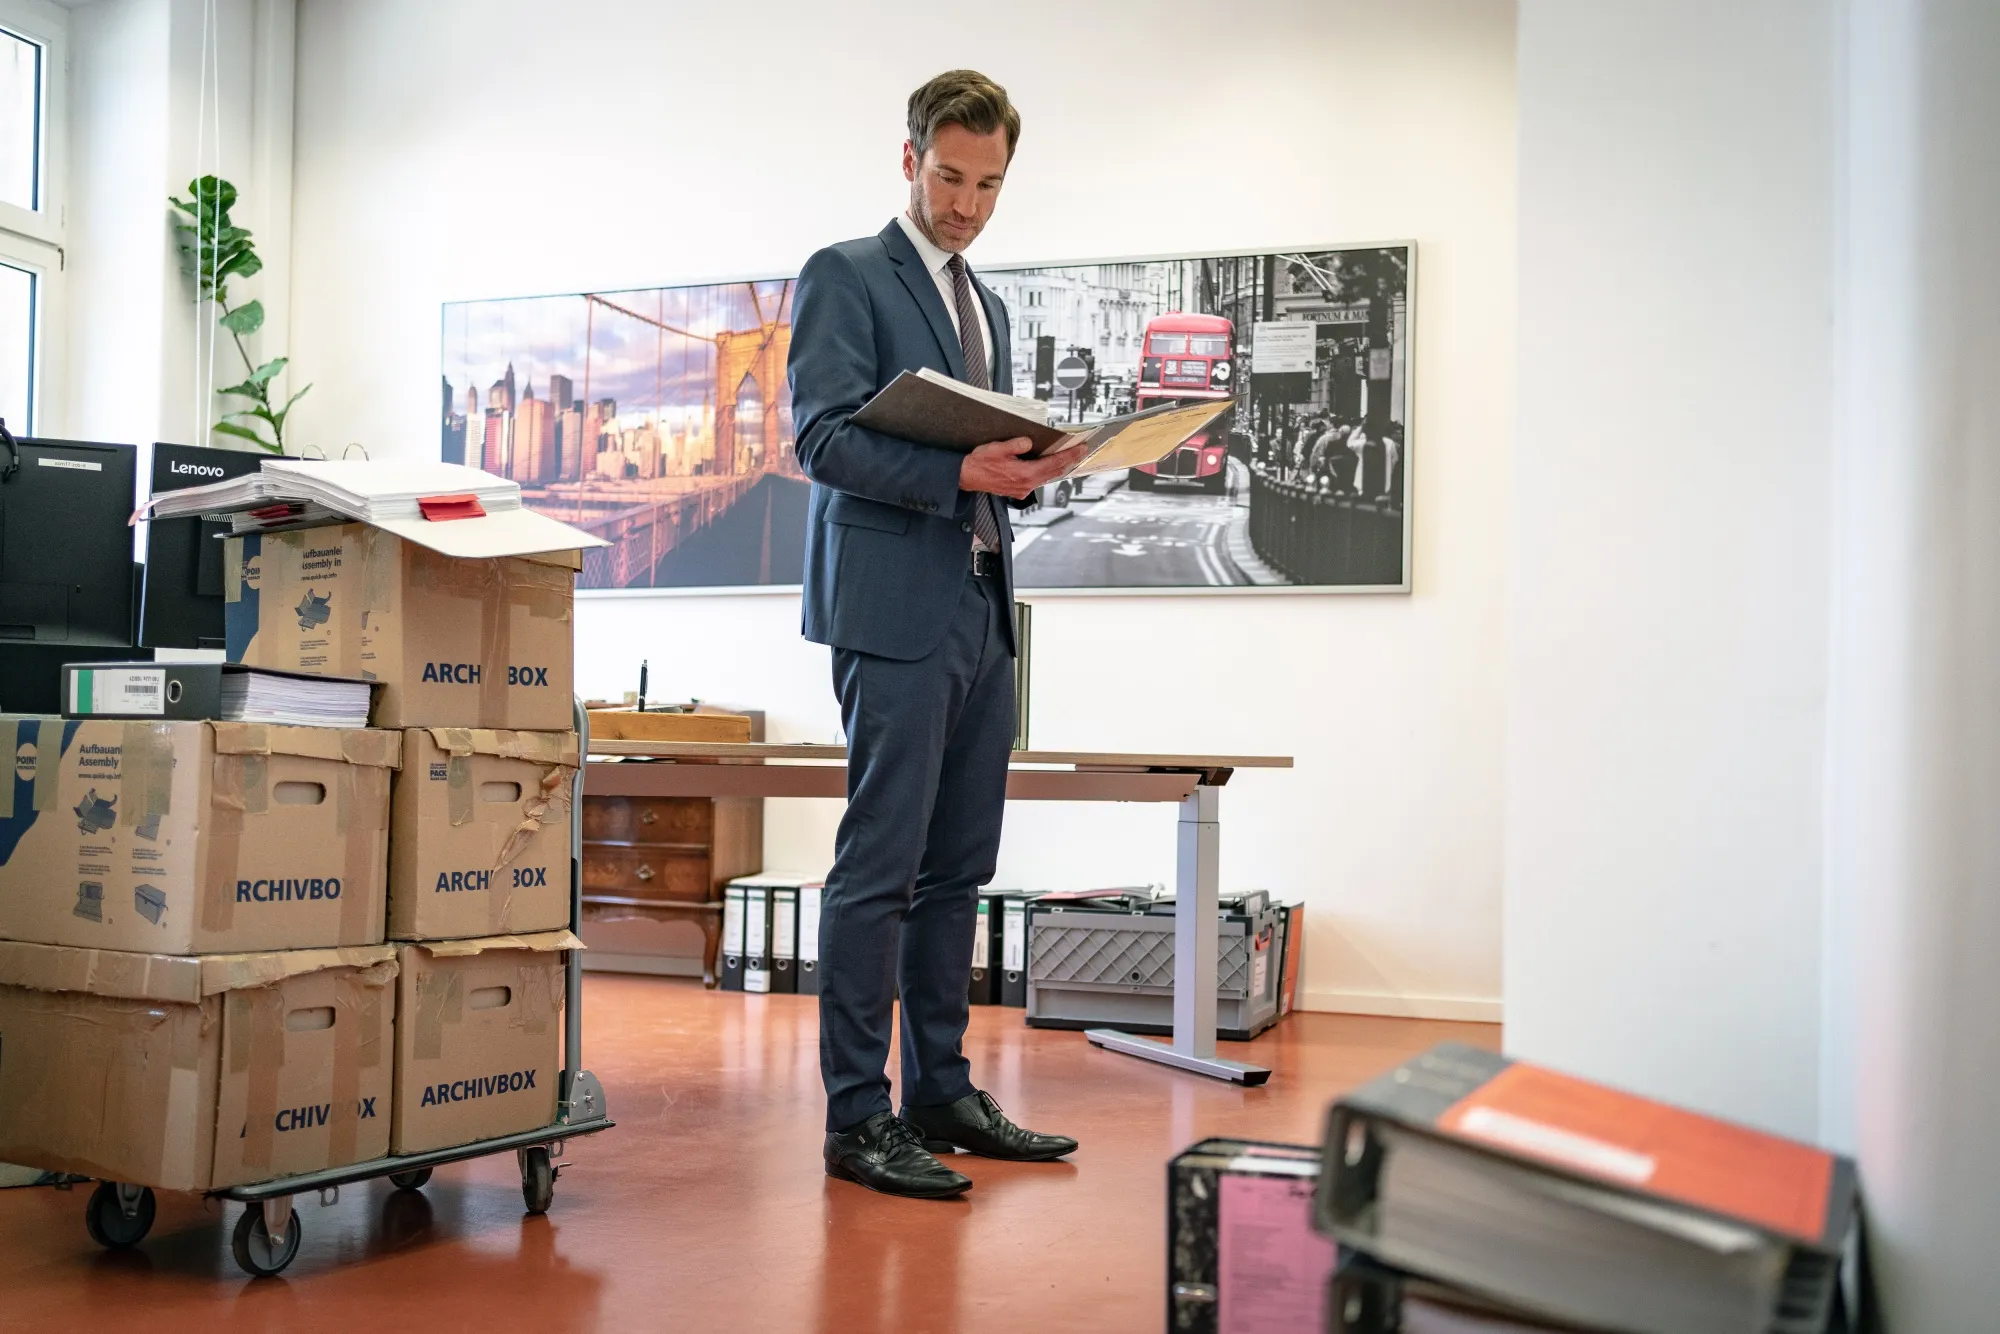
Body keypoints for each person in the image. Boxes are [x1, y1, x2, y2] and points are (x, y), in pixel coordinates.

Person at [787, 70, 1083, 1200]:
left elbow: (976, 462)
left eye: (988, 183)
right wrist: (958, 466)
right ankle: (858, 1113)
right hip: (890, 609)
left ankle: (939, 1088)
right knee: (880, 865)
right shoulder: (846, 274)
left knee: (960, 862)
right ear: (908, 157)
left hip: (978, 603)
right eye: (950, 176)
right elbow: (820, 438)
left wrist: (1030, 472)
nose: (965, 203)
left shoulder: (987, 307)